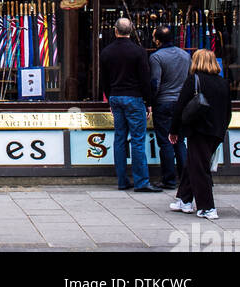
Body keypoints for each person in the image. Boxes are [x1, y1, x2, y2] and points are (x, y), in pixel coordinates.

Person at [168, 48, 231, 220]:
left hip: (198, 130)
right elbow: (228, 110)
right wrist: (222, 129)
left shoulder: (193, 80)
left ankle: (207, 207)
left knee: (199, 168)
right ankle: (184, 199)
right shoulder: (223, 82)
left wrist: (174, 130)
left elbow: (180, 107)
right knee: (194, 163)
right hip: (216, 132)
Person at [99, 16, 161, 192]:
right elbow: (144, 79)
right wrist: (148, 102)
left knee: (119, 138)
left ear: (115, 30)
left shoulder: (106, 52)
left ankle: (122, 180)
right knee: (137, 140)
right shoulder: (138, 51)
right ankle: (141, 181)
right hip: (134, 97)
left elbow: (104, 79)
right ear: (131, 30)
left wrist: (110, 97)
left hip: (116, 97)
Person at [150, 25, 190, 190]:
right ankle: (185, 177)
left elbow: (155, 83)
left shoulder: (156, 57)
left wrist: (150, 102)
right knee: (180, 141)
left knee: (166, 142)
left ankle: (169, 179)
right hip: (181, 102)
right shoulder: (185, 55)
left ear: (158, 40)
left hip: (164, 102)